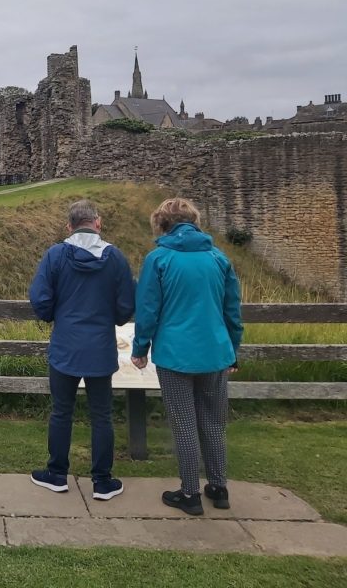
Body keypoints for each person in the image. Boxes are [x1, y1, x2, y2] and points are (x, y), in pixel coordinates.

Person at [132, 198, 242, 516]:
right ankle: (219, 488)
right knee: (213, 422)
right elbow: (232, 311)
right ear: (194, 222)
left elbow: (148, 309)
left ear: (162, 223)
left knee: (183, 423)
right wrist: (233, 349)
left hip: (175, 353)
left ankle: (190, 493)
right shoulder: (218, 258)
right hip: (216, 351)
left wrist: (140, 348)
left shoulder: (159, 259)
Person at [28, 199, 136, 501]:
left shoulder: (56, 255)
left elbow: (40, 297)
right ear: (97, 223)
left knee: (61, 412)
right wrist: (113, 317)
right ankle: (102, 481)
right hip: (100, 347)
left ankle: (57, 473)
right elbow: (126, 304)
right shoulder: (114, 258)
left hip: (65, 345)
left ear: (69, 226)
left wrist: (53, 315)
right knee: (102, 416)